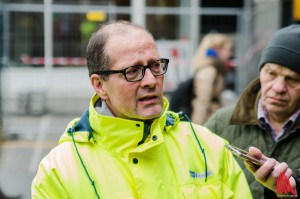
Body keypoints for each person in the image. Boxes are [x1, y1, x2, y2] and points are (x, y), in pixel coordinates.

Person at [31, 20, 252, 198]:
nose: (150, 80)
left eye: (155, 66)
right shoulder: (59, 172)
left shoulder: (207, 147)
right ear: (100, 86)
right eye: (133, 71)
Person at [204, 24, 300, 198]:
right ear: (260, 72)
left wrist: (288, 193)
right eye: (271, 73)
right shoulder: (220, 123)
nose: (278, 87)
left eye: (292, 79)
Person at [191, 33, 233, 125]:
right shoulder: (209, 70)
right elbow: (202, 101)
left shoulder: (215, 68)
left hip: (212, 120)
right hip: (207, 121)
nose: (230, 54)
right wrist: (196, 128)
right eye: (228, 49)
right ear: (218, 49)